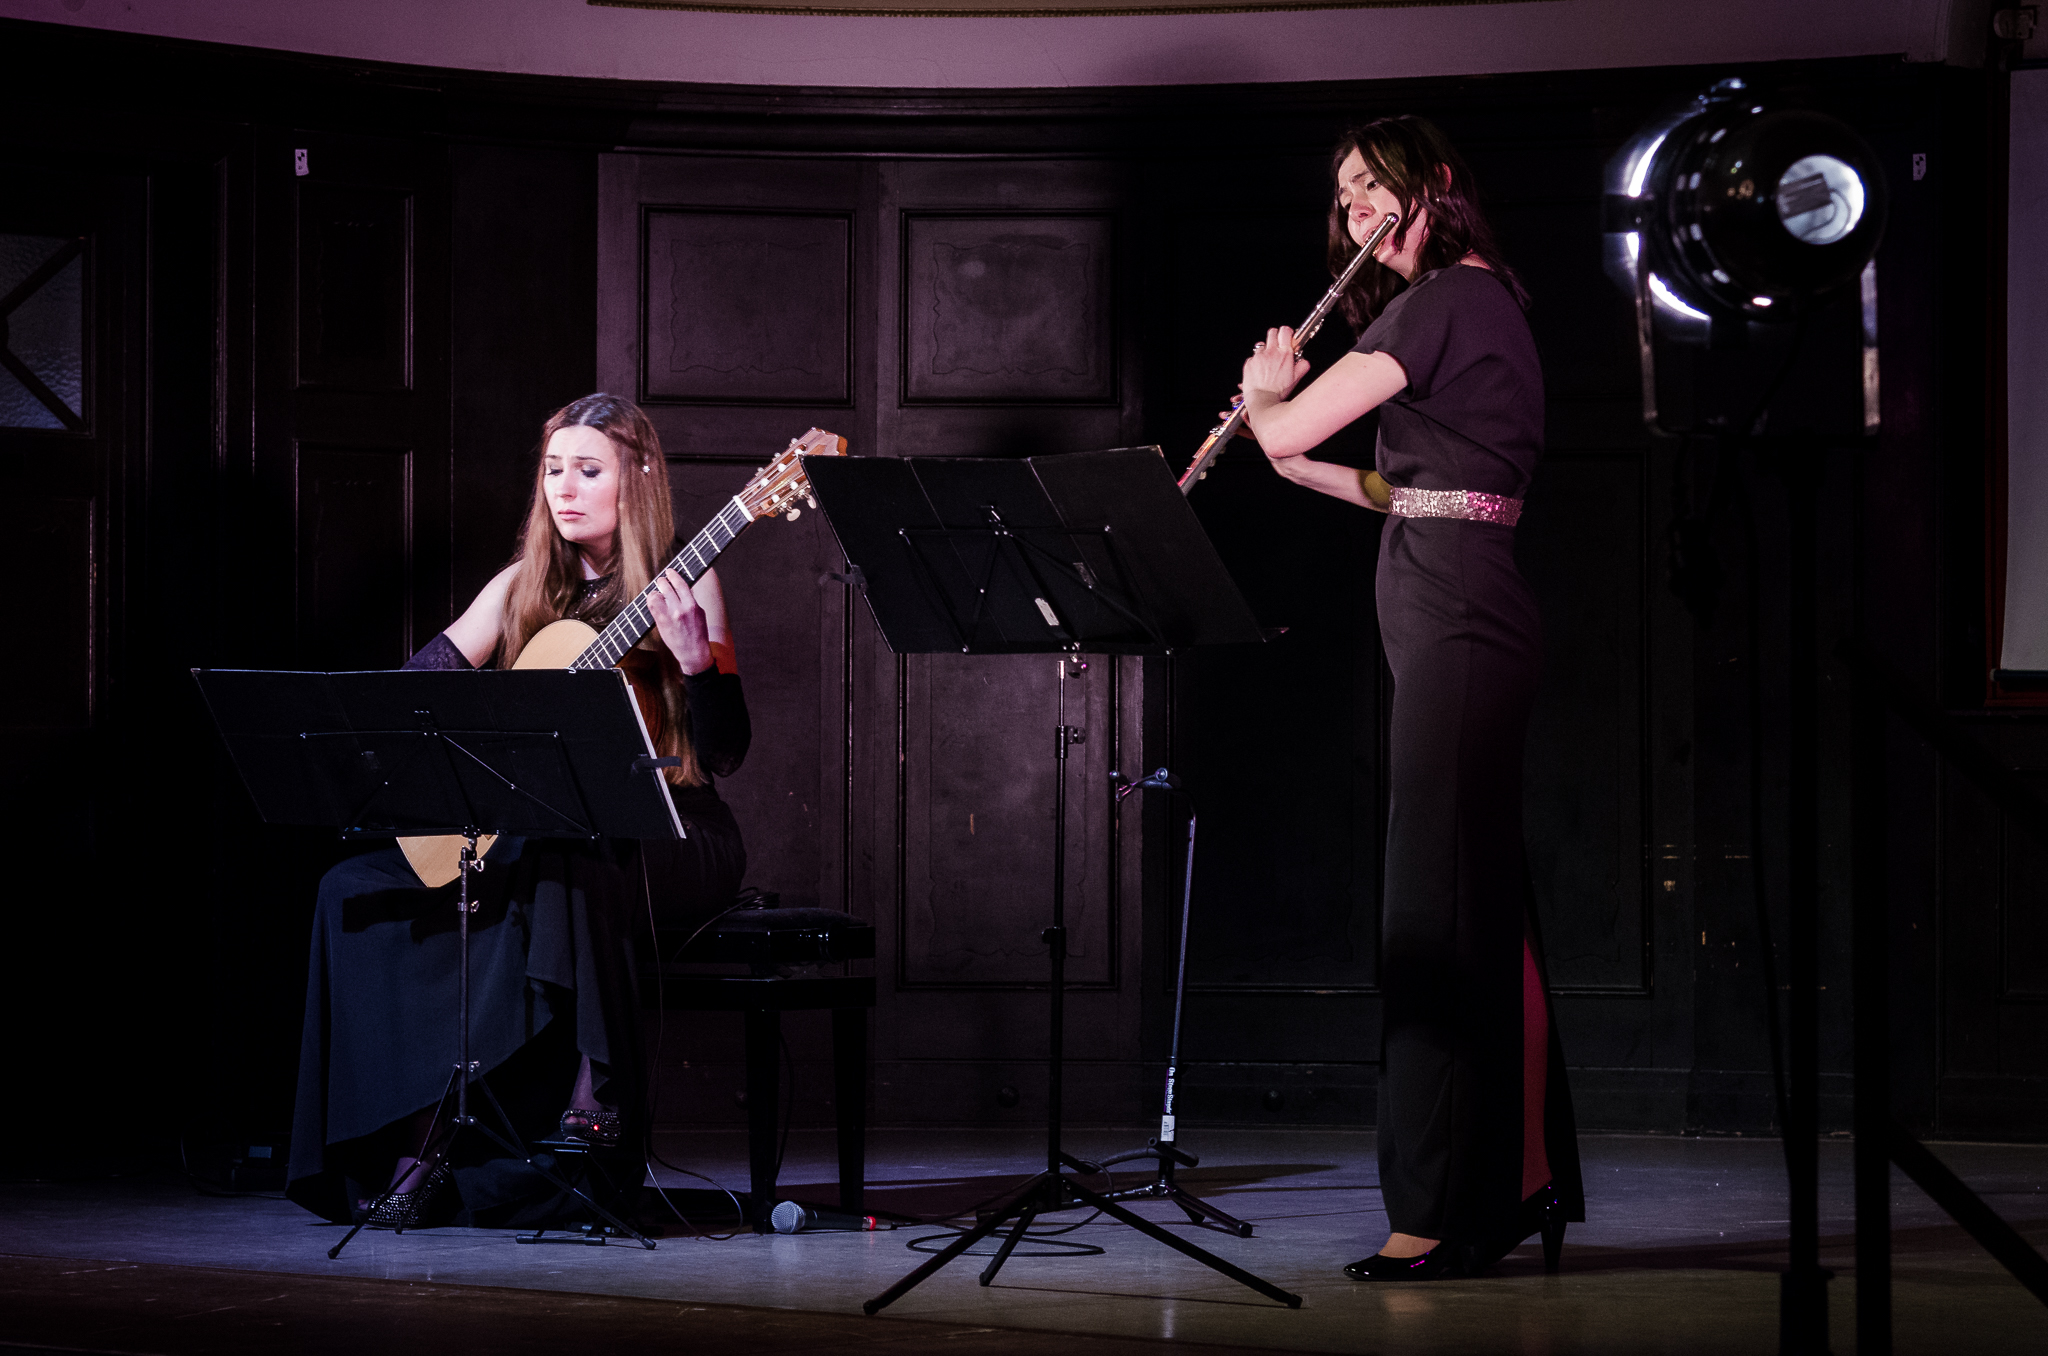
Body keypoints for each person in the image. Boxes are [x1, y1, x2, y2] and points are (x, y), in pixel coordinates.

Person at [1234, 116, 1584, 1279]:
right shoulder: (1484, 306)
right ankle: (1516, 1180)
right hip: (1464, 604)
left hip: (1461, 625)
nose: (1352, 214)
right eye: (1338, 198)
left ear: (1430, 183)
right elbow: (1417, 488)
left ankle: (1436, 1209)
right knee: (1472, 908)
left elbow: (1288, 419)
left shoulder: (1435, 305)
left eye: (1366, 189)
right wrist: (1290, 457)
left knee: (1431, 915)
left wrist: (1266, 396)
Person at [286, 393, 751, 1230]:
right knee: (351, 888)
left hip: (670, 829)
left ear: (638, 477)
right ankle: (399, 1131)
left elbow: (723, 752)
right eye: (552, 470)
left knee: (572, 851)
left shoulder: (687, 579)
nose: (563, 489)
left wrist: (698, 666)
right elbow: (414, 695)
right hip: (545, 832)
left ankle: (591, 1094)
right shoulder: (521, 585)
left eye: (588, 469)